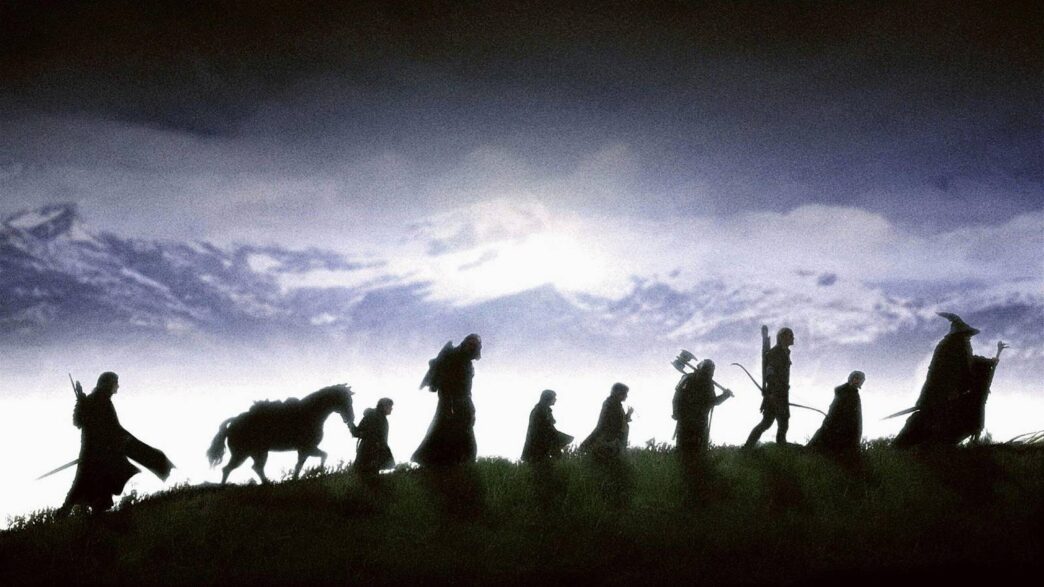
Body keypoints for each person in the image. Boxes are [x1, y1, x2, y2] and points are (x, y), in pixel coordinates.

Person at [57, 372, 173, 516]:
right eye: (115, 383)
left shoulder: (99, 400)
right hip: (93, 453)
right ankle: (65, 515)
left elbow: (109, 427)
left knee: (96, 485)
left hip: (102, 452)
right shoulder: (98, 400)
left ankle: (93, 517)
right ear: (107, 384)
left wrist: (82, 401)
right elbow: (79, 422)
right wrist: (80, 401)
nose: (117, 386)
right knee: (82, 485)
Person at [412, 334, 482, 467]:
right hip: (450, 402)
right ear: (465, 343)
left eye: (475, 345)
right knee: (445, 432)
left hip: (462, 402)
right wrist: (449, 405)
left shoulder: (466, 362)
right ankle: (444, 464)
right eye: (471, 344)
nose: (472, 348)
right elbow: (445, 384)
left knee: (458, 433)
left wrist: (470, 407)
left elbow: (466, 389)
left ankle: (458, 464)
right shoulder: (454, 358)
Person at [744, 327, 795, 447]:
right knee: (767, 423)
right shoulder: (775, 353)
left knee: (782, 420)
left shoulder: (784, 352)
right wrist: (772, 393)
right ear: (782, 337)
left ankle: (781, 444)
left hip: (781, 393)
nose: (793, 338)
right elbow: (770, 373)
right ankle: (747, 447)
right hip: (774, 393)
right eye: (790, 335)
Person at [673, 359, 733, 456]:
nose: (708, 374)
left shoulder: (708, 384)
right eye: (707, 371)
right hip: (686, 419)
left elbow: (713, 402)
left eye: (710, 372)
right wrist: (676, 412)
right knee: (683, 449)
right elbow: (677, 397)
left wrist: (725, 396)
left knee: (698, 450)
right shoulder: (688, 379)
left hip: (700, 422)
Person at [807, 371, 865, 454]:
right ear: (851, 379)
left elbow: (856, 416)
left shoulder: (855, 394)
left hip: (848, 431)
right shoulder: (843, 392)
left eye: (861, 380)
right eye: (857, 378)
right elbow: (834, 410)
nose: (858, 381)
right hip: (836, 429)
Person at [580, 383, 633, 461]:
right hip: (610, 443)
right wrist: (586, 443)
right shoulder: (611, 404)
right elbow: (603, 424)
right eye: (625, 393)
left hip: (615, 442)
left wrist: (628, 414)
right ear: (618, 392)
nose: (626, 396)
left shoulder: (616, 404)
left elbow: (619, 421)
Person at [521, 389, 573, 463]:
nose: (555, 399)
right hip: (538, 448)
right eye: (554, 397)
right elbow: (546, 430)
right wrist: (564, 438)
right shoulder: (540, 410)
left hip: (541, 447)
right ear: (548, 398)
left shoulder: (543, 410)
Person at [353, 398, 395, 474]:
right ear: (384, 406)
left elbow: (357, 432)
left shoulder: (381, 418)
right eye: (390, 406)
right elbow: (357, 432)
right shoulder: (373, 416)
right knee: (367, 475)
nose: (391, 409)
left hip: (373, 455)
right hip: (368, 454)